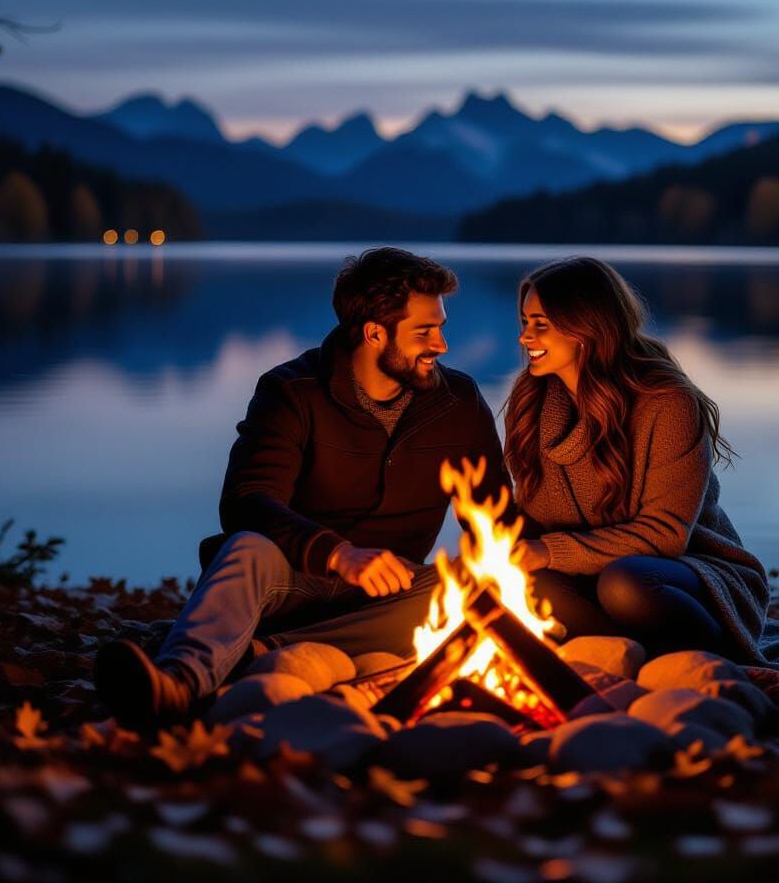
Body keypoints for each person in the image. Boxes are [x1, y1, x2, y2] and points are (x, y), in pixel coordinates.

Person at [94, 247, 510, 725]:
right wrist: (337, 554)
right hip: (290, 576)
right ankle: (176, 683)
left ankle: (252, 654)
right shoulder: (291, 391)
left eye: (441, 326)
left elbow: (495, 518)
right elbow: (248, 503)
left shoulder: (456, 401)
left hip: (387, 594)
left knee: (475, 587)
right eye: (425, 331)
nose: (441, 345)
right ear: (374, 333)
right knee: (246, 547)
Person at [505, 256, 770, 662]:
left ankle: (717, 655)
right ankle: (628, 659)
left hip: (687, 573)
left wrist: (549, 552)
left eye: (541, 324)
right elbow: (533, 515)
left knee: (624, 585)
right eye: (525, 322)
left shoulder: (667, 403)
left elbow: (666, 535)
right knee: (521, 585)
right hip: (584, 572)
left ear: (587, 326)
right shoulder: (532, 404)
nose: (526, 337)